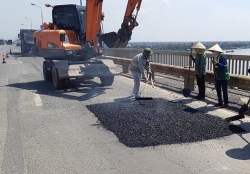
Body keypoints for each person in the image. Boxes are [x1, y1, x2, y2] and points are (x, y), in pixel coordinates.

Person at [208, 44, 230, 108]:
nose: (212, 53)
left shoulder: (222, 58)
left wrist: (216, 63)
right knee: (218, 89)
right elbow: (216, 68)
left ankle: (226, 103)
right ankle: (220, 102)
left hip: (223, 77)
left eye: (213, 52)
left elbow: (223, 67)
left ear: (217, 52)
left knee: (224, 90)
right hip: (218, 76)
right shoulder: (216, 58)